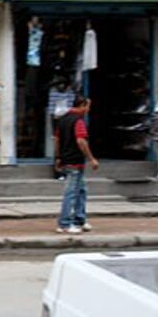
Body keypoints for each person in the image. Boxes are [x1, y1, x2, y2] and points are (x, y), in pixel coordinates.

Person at [54, 95, 99, 234]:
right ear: (82, 105)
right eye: (88, 106)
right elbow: (81, 141)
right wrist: (91, 158)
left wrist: (58, 157)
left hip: (66, 160)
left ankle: (79, 219)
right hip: (75, 161)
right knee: (71, 192)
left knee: (81, 190)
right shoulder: (78, 121)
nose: (88, 109)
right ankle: (64, 223)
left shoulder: (62, 120)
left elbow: (56, 140)